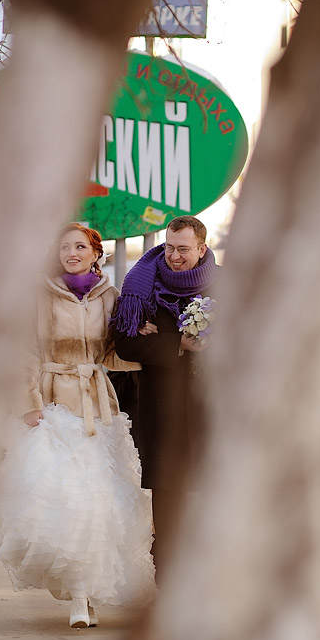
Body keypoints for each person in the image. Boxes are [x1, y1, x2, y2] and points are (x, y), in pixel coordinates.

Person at [0, 223, 155, 629]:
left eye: (80, 246)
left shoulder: (110, 296)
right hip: (53, 404)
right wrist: (28, 403)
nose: (72, 253)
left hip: (97, 407)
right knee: (61, 499)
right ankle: (78, 596)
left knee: (101, 502)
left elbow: (114, 354)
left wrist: (151, 345)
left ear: (96, 252)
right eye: (64, 247)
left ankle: (87, 596)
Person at [110, 215, 218, 576]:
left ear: (201, 248)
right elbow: (124, 342)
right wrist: (177, 343)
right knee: (169, 489)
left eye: (183, 249)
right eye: (169, 247)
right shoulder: (142, 284)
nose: (174, 256)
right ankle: (168, 575)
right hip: (161, 404)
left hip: (212, 406)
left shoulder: (224, 286)